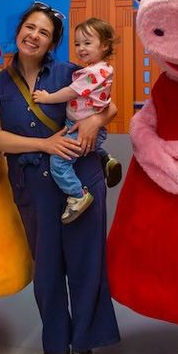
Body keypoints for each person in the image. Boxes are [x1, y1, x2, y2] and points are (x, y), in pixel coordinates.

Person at [0, 2, 121, 354]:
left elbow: (110, 106)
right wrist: (45, 144)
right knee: (46, 270)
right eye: (30, 27)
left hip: (80, 177)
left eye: (44, 32)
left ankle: (83, 348)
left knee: (85, 263)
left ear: (53, 42)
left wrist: (94, 120)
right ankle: (56, 345)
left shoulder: (69, 73)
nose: (34, 35)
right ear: (19, 30)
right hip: (33, 185)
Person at [33, 17, 116, 223]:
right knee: (88, 147)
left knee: (59, 162)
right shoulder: (102, 70)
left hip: (80, 127)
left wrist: (47, 98)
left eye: (87, 43)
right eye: (78, 43)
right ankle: (105, 158)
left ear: (104, 45)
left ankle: (78, 195)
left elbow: (70, 92)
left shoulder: (93, 73)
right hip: (81, 124)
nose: (81, 48)